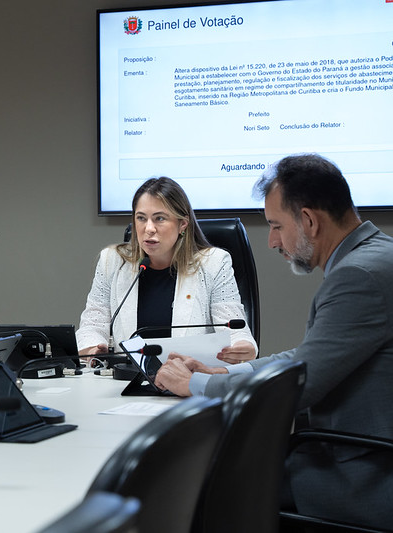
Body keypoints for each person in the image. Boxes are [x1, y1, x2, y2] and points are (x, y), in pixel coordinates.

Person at [155, 154, 393, 529]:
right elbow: (307, 355)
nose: (271, 241)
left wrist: (196, 384)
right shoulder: (375, 257)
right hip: (363, 455)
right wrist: (230, 369)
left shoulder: (358, 276)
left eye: (276, 226)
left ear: (310, 221)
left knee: (191, 487)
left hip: (362, 474)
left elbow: (301, 384)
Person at [76, 177, 257, 364]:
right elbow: (92, 325)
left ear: (182, 224)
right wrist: (94, 349)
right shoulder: (112, 261)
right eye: (141, 218)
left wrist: (241, 347)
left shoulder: (214, 264)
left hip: (188, 380)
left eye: (159, 218)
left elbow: (233, 329)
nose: (148, 229)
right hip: (126, 381)